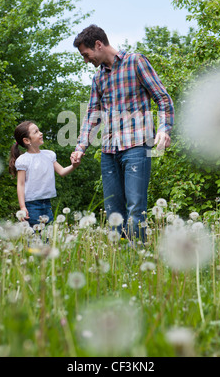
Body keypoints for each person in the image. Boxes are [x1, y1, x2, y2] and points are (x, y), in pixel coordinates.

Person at [71, 25, 174, 241]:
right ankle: (120, 261)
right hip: (109, 151)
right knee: (113, 212)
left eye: (86, 54)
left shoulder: (136, 62)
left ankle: (137, 257)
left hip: (136, 146)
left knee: (136, 208)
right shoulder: (98, 78)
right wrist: (80, 147)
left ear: (98, 44)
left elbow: (162, 98)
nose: (86, 60)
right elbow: (92, 115)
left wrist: (164, 129)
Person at [9, 120, 80, 227]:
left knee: (47, 236)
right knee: (35, 237)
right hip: (31, 205)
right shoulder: (23, 160)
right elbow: (21, 184)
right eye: (36, 132)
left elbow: (62, 172)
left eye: (39, 130)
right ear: (27, 140)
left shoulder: (49, 155)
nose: (41, 133)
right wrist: (22, 207)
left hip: (47, 203)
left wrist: (74, 165)